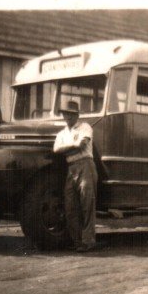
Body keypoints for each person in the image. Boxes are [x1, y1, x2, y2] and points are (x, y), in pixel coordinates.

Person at [53, 100, 98, 252]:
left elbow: (82, 145)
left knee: (87, 204)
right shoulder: (61, 133)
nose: (69, 116)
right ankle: (77, 242)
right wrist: (73, 146)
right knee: (71, 206)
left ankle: (88, 241)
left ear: (77, 115)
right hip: (71, 168)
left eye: (72, 114)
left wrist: (67, 149)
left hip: (85, 165)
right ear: (63, 115)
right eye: (66, 114)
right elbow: (56, 150)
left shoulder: (85, 127)